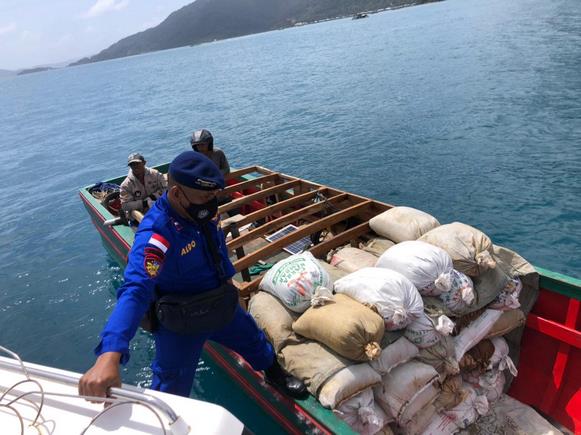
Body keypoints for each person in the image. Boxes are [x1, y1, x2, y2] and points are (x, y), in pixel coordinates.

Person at [79, 151, 306, 401]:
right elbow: (136, 289)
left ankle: (275, 374)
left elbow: (216, 250)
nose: (212, 202)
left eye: (214, 196)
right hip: (181, 320)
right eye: (206, 197)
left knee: (253, 339)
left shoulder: (201, 211)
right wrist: (110, 354)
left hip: (220, 302)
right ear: (177, 193)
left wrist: (229, 284)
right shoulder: (157, 235)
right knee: (170, 386)